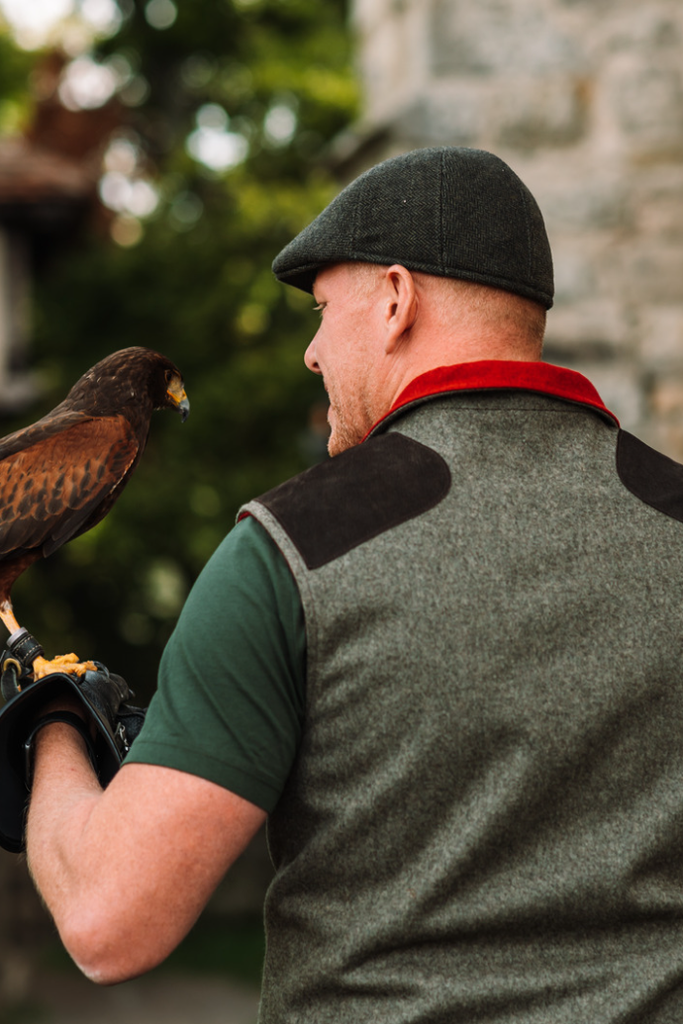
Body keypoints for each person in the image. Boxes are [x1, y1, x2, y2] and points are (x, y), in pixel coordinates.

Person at [21, 146, 683, 1022]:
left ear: (396, 300)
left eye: (323, 311)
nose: (310, 353)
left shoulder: (293, 548)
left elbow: (107, 923)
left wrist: (52, 718)